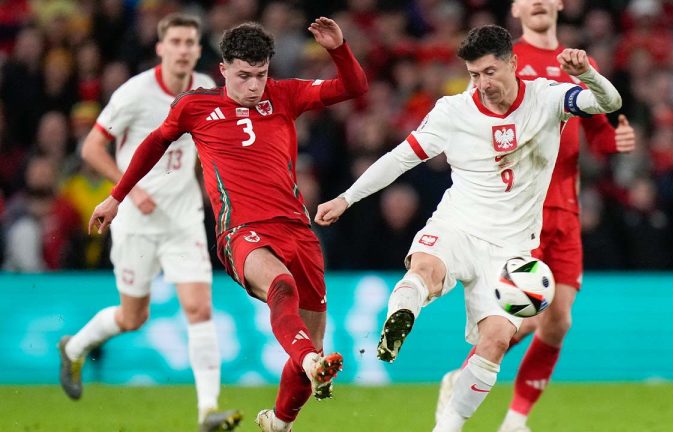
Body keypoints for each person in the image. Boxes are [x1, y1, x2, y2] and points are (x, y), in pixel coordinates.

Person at [315, 24, 622, 431]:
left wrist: (585, 73)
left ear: (514, 64)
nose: (482, 84)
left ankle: (447, 427)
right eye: (474, 75)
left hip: (511, 249)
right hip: (458, 223)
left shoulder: (548, 99)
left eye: (490, 72)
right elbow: (399, 158)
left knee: (494, 340)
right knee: (425, 269)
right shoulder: (453, 111)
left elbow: (609, 101)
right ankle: (401, 315)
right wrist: (346, 198)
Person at [88, 17, 368, 432]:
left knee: (312, 342)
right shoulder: (195, 106)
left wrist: (339, 48)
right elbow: (153, 145)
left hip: (298, 229)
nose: (255, 86)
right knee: (281, 288)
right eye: (244, 76)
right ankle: (309, 361)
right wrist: (116, 196)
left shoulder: (285, 94)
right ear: (224, 70)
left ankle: (280, 421)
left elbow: (354, 88)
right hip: (242, 232)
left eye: (261, 75)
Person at [435, 1, 637, 431]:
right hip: (518, 210)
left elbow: (598, 134)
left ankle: (514, 420)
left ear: (561, 3)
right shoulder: (502, 62)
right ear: (516, 7)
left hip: (564, 206)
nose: (540, 1)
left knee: (559, 317)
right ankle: (458, 390)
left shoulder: (578, 62)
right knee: (517, 314)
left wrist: (616, 141)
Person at [56, 13, 242, 431]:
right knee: (132, 317)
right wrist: (128, 188)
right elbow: (91, 148)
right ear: (160, 48)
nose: (182, 49)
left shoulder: (208, 91)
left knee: (199, 308)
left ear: (198, 49)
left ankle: (207, 411)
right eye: (175, 41)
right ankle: (74, 347)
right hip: (136, 223)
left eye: (190, 42)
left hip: (183, 220)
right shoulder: (134, 94)